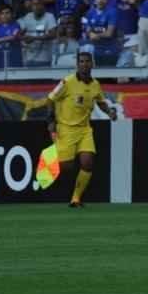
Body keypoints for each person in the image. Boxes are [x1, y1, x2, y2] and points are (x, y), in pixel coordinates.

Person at [46, 51, 118, 208]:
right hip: (66, 129)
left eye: (87, 61)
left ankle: (76, 198)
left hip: (85, 129)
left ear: (92, 64)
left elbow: (100, 101)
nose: (84, 64)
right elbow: (51, 99)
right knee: (67, 167)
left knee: (87, 162)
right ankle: (50, 165)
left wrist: (109, 112)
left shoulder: (95, 85)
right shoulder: (67, 82)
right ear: (77, 64)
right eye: (82, 61)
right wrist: (51, 120)